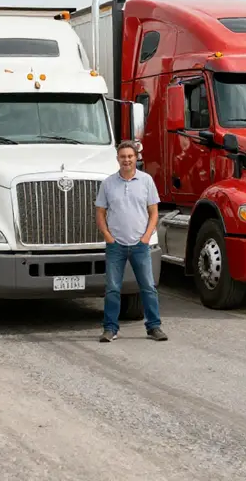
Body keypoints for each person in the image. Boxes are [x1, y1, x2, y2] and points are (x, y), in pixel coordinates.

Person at [95, 140, 167, 343]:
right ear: (117, 159)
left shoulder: (146, 181)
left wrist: (146, 237)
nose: (126, 160)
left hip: (139, 245)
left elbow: (154, 212)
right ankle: (110, 329)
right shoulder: (108, 183)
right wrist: (108, 236)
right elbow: (100, 213)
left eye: (130, 156)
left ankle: (154, 327)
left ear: (136, 158)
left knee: (148, 287)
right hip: (116, 245)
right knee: (112, 289)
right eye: (122, 157)